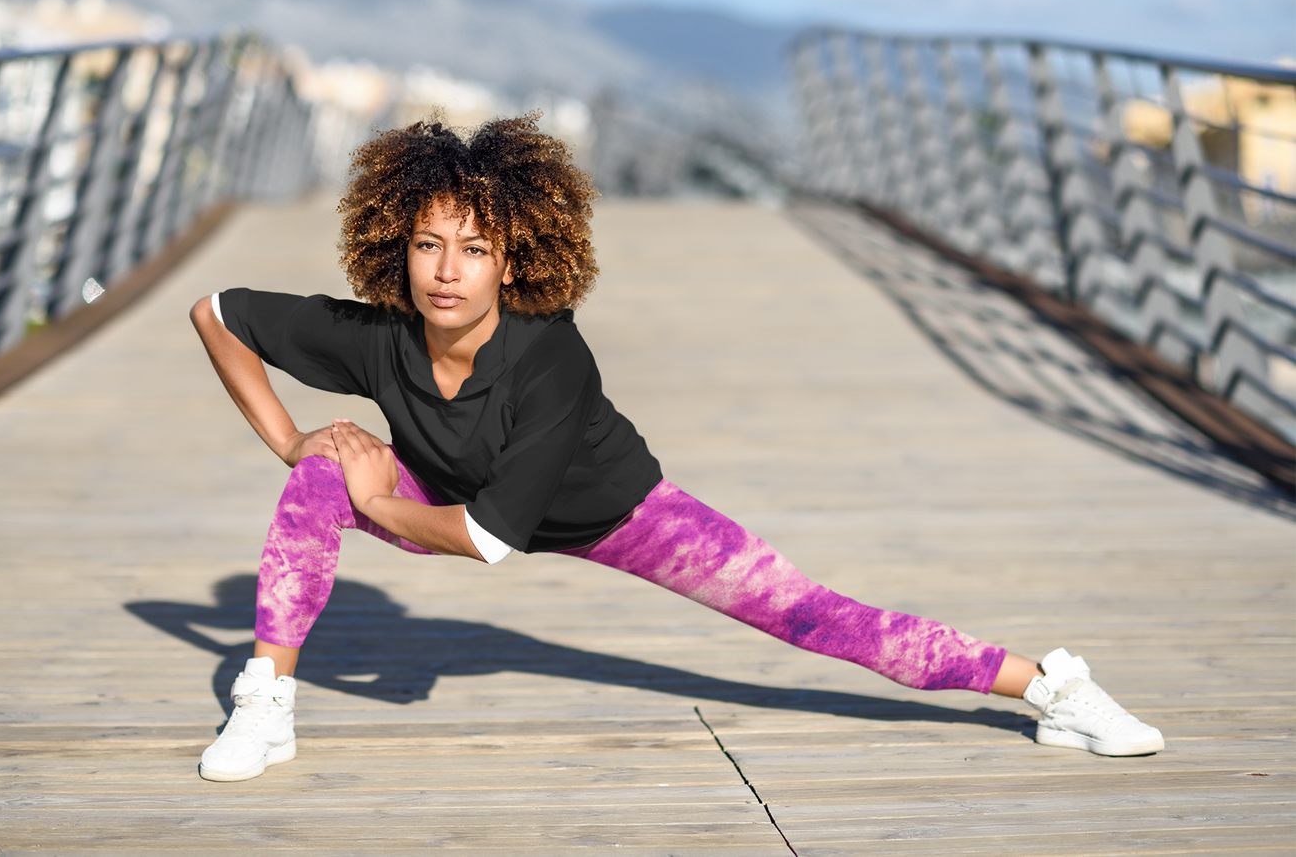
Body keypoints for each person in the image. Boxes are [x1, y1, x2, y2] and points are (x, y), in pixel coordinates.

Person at [189, 116, 1163, 782]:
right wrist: (295, 440)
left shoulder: (548, 356)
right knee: (319, 475)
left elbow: (489, 540)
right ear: (394, 248)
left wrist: (375, 498)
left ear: (514, 260)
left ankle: (1048, 686)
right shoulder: (376, 337)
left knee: (812, 614)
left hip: (617, 514)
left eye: (474, 248)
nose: (447, 271)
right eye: (428, 244)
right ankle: (266, 698)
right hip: (447, 496)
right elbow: (217, 313)